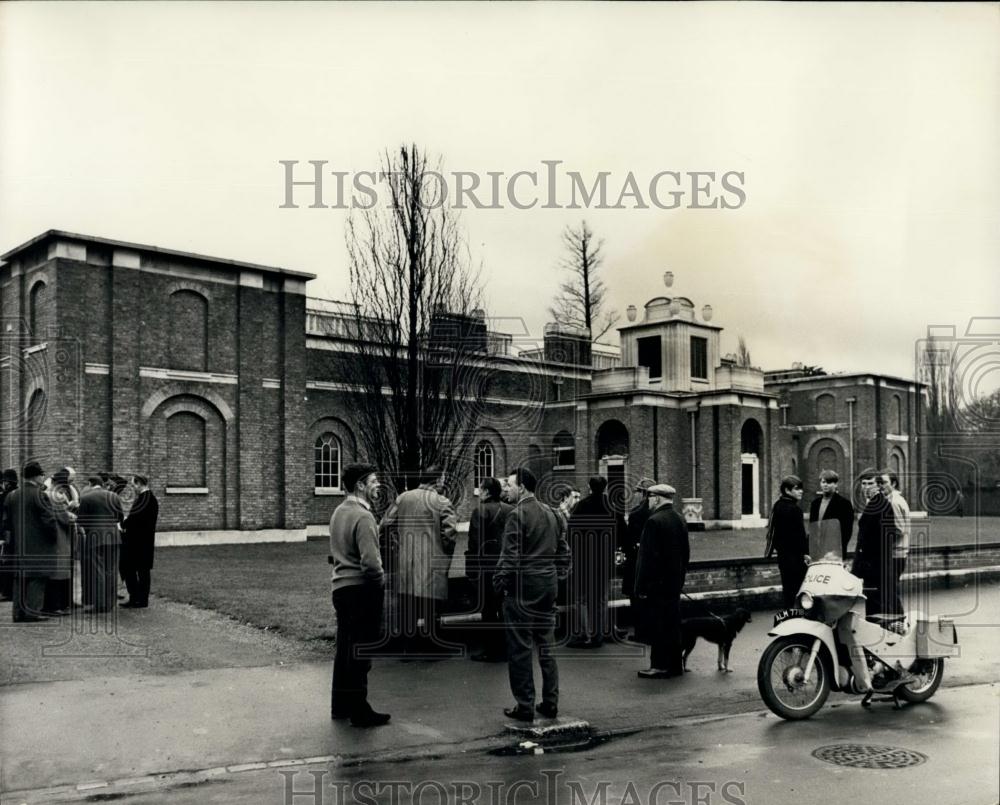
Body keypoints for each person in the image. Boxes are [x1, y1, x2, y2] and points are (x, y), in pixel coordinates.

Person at [495, 467, 570, 721]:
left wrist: (500, 584)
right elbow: (563, 551)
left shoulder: (517, 515)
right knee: (547, 646)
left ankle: (525, 705)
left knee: (520, 648)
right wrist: (556, 575)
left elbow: (510, 557)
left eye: (510, 484)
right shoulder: (551, 513)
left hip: (523, 588)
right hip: (547, 586)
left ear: (523, 487)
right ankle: (550, 702)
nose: (506, 488)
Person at [329, 463, 390, 728]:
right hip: (362, 590)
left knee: (345, 649)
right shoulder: (364, 517)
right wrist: (382, 581)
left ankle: (341, 706)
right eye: (374, 481)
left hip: (341, 589)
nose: (378, 485)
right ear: (361, 486)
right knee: (361, 651)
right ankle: (360, 711)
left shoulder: (338, 512)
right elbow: (371, 563)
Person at [380, 468, 458, 655]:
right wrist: (446, 555)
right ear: (437, 480)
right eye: (442, 478)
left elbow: (384, 525)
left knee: (409, 608)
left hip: (406, 561)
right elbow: (450, 534)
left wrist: (395, 545)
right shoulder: (442, 502)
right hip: (433, 563)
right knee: (431, 609)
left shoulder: (403, 498)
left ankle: (408, 649)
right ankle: (431, 649)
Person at [633, 483, 690, 679]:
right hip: (674, 583)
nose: (648, 501)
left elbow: (646, 558)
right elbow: (686, 554)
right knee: (673, 624)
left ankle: (658, 665)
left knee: (657, 624)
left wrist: (640, 586)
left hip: (656, 585)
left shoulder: (654, 521)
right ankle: (675, 665)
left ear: (656, 498)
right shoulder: (679, 519)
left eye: (650, 497)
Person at [5, 462, 71, 622]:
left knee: (20, 579)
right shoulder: (40, 495)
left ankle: (18, 613)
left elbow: (6, 523)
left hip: (19, 545)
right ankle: (32, 613)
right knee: (37, 579)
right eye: (42, 474)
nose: (43, 477)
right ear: (36, 476)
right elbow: (49, 520)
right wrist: (54, 537)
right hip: (39, 545)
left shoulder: (12, 495)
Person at [566, 476, 624, 648]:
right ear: (605, 488)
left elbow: (571, 534)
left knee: (581, 599)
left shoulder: (581, 506)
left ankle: (585, 635)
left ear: (589, 487)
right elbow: (622, 534)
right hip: (604, 561)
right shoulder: (613, 508)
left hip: (584, 560)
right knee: (601, 599)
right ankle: (599, 634)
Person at [465, 477, 512, 662]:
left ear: (485, 492)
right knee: (504, 607)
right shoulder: (510, 510)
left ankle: (492, 650)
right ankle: (506, 647)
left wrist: (471, 568)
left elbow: (475, 543)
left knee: (489, 610)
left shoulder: (480, 511)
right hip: (506, 565)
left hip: (487, 567)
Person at [852, 469, 904, 621]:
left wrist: (868, 562)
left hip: (876, 565)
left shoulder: (882, 505)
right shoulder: (873, 504)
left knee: (877, 604)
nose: (866, 487)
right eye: (863, 484)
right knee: (874, 603)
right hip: (871, 565)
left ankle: (880, 637)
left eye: (870, 483)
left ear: (879, 485)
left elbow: (889, 535)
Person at [77, 475, 124, 612]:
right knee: (111, 570)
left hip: (95, 537)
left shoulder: (86, 498)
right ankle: (110, 603)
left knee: (98, 570)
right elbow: (119, 516)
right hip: (114, 537)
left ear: (90, 484)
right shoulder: (113, 496)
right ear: (101, 484)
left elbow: (81, 521)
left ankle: (100, 604)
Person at [764, 475, 809, 609]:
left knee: (788, 589)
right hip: (796, 558)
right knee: (799, 589)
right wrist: (805, 553)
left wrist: (771, 551)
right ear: (787, 490)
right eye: (797, 489)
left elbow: (772, 531)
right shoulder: (795, 510)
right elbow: (800, 536)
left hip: (784, 557)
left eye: (801, 489)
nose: (801, 491)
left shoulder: (777, 505)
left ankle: (788, 616)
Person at [44, 467, 80, 614]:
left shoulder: (46, 494)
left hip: (55, 538)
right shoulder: (56, 496)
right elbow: (63, 518)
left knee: (57, 571)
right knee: (59, 572)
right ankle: (56, 606)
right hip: (61, 537)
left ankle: (58, 604)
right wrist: (73, 516)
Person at [621, 478, 654, 638]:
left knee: (636, 598)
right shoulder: (658, 512)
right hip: (654, 564)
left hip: (636, 563)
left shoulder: (636, 514)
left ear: (643, 494)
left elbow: (627, 541)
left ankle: (641, 632)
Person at [121, 474, 159, 608]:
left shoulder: (144, 500)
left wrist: (123, 523)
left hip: (136, 541)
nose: (133, 488)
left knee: (130, 569)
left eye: (133, 485)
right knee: (143, 571)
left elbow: (135, 520)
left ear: (139, 484)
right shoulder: (151, 499)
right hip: (145, 541)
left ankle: (136, 598)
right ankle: (142, 599)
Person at [880, 470, 911, 610]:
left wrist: (884, 545)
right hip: (900, 551)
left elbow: (899, 529)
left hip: (895, 552)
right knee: (891, 588)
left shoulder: (894, 502)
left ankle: (898, 619)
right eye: (880, 482)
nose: (881, 486)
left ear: (893, 483)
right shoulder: (898, 499)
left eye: (885, 482)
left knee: (891, 590)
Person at [808, 470, 855, 559]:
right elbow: (812, 528)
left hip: (834, 553)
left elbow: (846, 531)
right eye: (823, 482)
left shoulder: (844, 504)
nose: (825, 485)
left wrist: (836, 551)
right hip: (817, 551)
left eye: (829, 482)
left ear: (836, 484)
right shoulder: (815, 504)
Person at [0, 468, 18, 601]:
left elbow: (3, 518)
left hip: (7, 533)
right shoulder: (18, 494)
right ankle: (11, 590)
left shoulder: (4, 496)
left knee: (6, 561)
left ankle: (6, 591)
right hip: (17, 532)